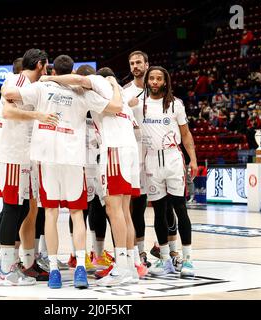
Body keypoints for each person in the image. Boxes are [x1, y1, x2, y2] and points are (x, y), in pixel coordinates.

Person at [1, 54, 123, 289]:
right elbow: (115, 107)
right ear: (72, 72)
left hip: (47, 160)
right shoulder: (82, 92)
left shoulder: (42, 87)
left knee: (50, 215)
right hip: (74, 160)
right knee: (77, 215)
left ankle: (55, 270)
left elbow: (9, 94)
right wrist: (113, 86)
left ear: (52, 71)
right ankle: (79, 269)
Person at [41, 66, 144, 285]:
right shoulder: (117, 92)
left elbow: (79, 79)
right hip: (130, 150)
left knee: (113, 209)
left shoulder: (96, 83)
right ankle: (131, 266)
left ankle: (122, 268)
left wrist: (52, 78)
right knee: (125, 211)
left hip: (115, 150)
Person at [0, 49, 56, 286]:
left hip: (25, 156)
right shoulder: (17, 80)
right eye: (45, 66)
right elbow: (7, 111)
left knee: (21, 210)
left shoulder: (30, 86)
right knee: (12, 209)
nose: (46, 70)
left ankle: (3, 263)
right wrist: (39, 115)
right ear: (40, 64)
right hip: (12, 156)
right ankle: (5, 269)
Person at [138, 66, 198, 278]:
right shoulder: (139, 104)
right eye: (151, 78)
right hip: (151, 160)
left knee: (180, 209)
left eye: (158, 79)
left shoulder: (175, 104)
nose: (154, 81)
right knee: (159, 212)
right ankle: (164, 260)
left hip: (173, 159)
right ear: (147, 81)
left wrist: (193, 159)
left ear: (165, 82)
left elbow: (186, 134)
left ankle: (188, 260)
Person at [122, 50, 152, 269]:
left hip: (158, 153)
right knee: (136, 206)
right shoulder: (125, 92)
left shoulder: (159, 89)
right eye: (132, 63)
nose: (135, 66)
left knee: (165, 205)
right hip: (135, 152)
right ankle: (137, 253)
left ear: (147, 64)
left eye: (138, 62)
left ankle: (167, 250)